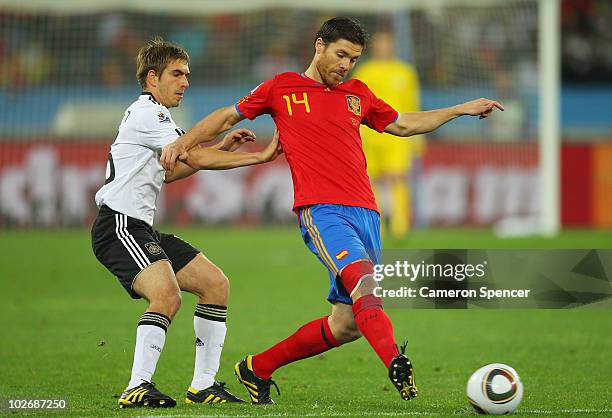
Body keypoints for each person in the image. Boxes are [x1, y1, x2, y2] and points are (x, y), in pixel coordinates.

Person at [161, 17, 503, 404]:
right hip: (322, 211)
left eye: (353, 59)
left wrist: (460, 109)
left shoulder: (357, 93)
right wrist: (183, 143)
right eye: (341, 54)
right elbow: (227, 117)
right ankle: (395, 360)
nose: (346, 65)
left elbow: (404, 125)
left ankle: (256, 368)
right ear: (319, 45)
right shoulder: (282, 87)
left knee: (347, 325)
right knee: (365, 284)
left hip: (367, 215)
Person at [91, 38, 282, 409]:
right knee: (167, 295)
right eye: (177, 74)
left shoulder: (155, 117)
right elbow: (193, 154)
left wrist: (225, 148)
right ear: (152, 78)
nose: (185, 82)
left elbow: (174, 169)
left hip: (140, 228)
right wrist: (258, 157)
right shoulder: (150, 113)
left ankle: (202, 386)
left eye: (187, 75)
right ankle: (137, 386)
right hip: (119, 227)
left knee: (215, 285)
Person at [352, 31, 424, 240]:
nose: (384, 48)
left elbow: (412, 104)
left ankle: (400, 225)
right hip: (369, 133)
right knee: (370, 179)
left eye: (388, 44)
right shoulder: (365, 71)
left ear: (393, 47)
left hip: (397, 133)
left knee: (397, 177)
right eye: (381, 44)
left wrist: (418, 136)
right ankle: (378, 224)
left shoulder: (405, 72)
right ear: (375, 48)